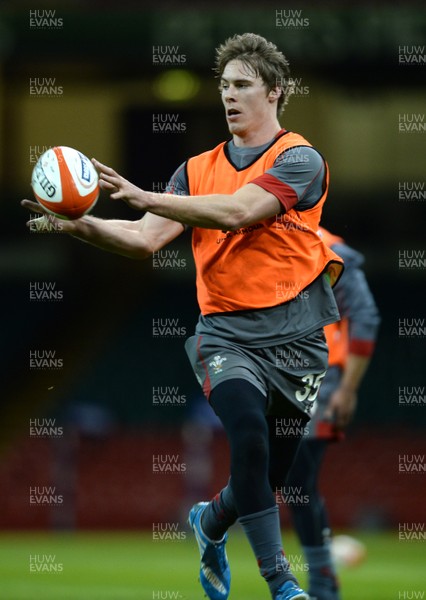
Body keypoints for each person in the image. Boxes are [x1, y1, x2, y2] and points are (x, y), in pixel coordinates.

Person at [23, 33, 344, 600]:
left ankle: (210, 521)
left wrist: (149, 197)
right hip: (226, 334)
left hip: (297, 338)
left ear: (275, 92)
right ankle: (282, 584)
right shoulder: (195, 170)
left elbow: (241, 211)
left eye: (243, 84)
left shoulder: (300, 159)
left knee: (267, 478)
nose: (230, 95)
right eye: (224, 86)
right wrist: (81, 226)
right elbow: (146, 239)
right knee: (247, 438)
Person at [285, 227, 380, 600]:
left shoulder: (332, 250)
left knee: (297, 480)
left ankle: (322, 580)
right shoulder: (263, 234)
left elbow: (365, 317)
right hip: (275, 374)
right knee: (294, 482)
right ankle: (321, 578)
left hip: (319, 377)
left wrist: (348, 389)